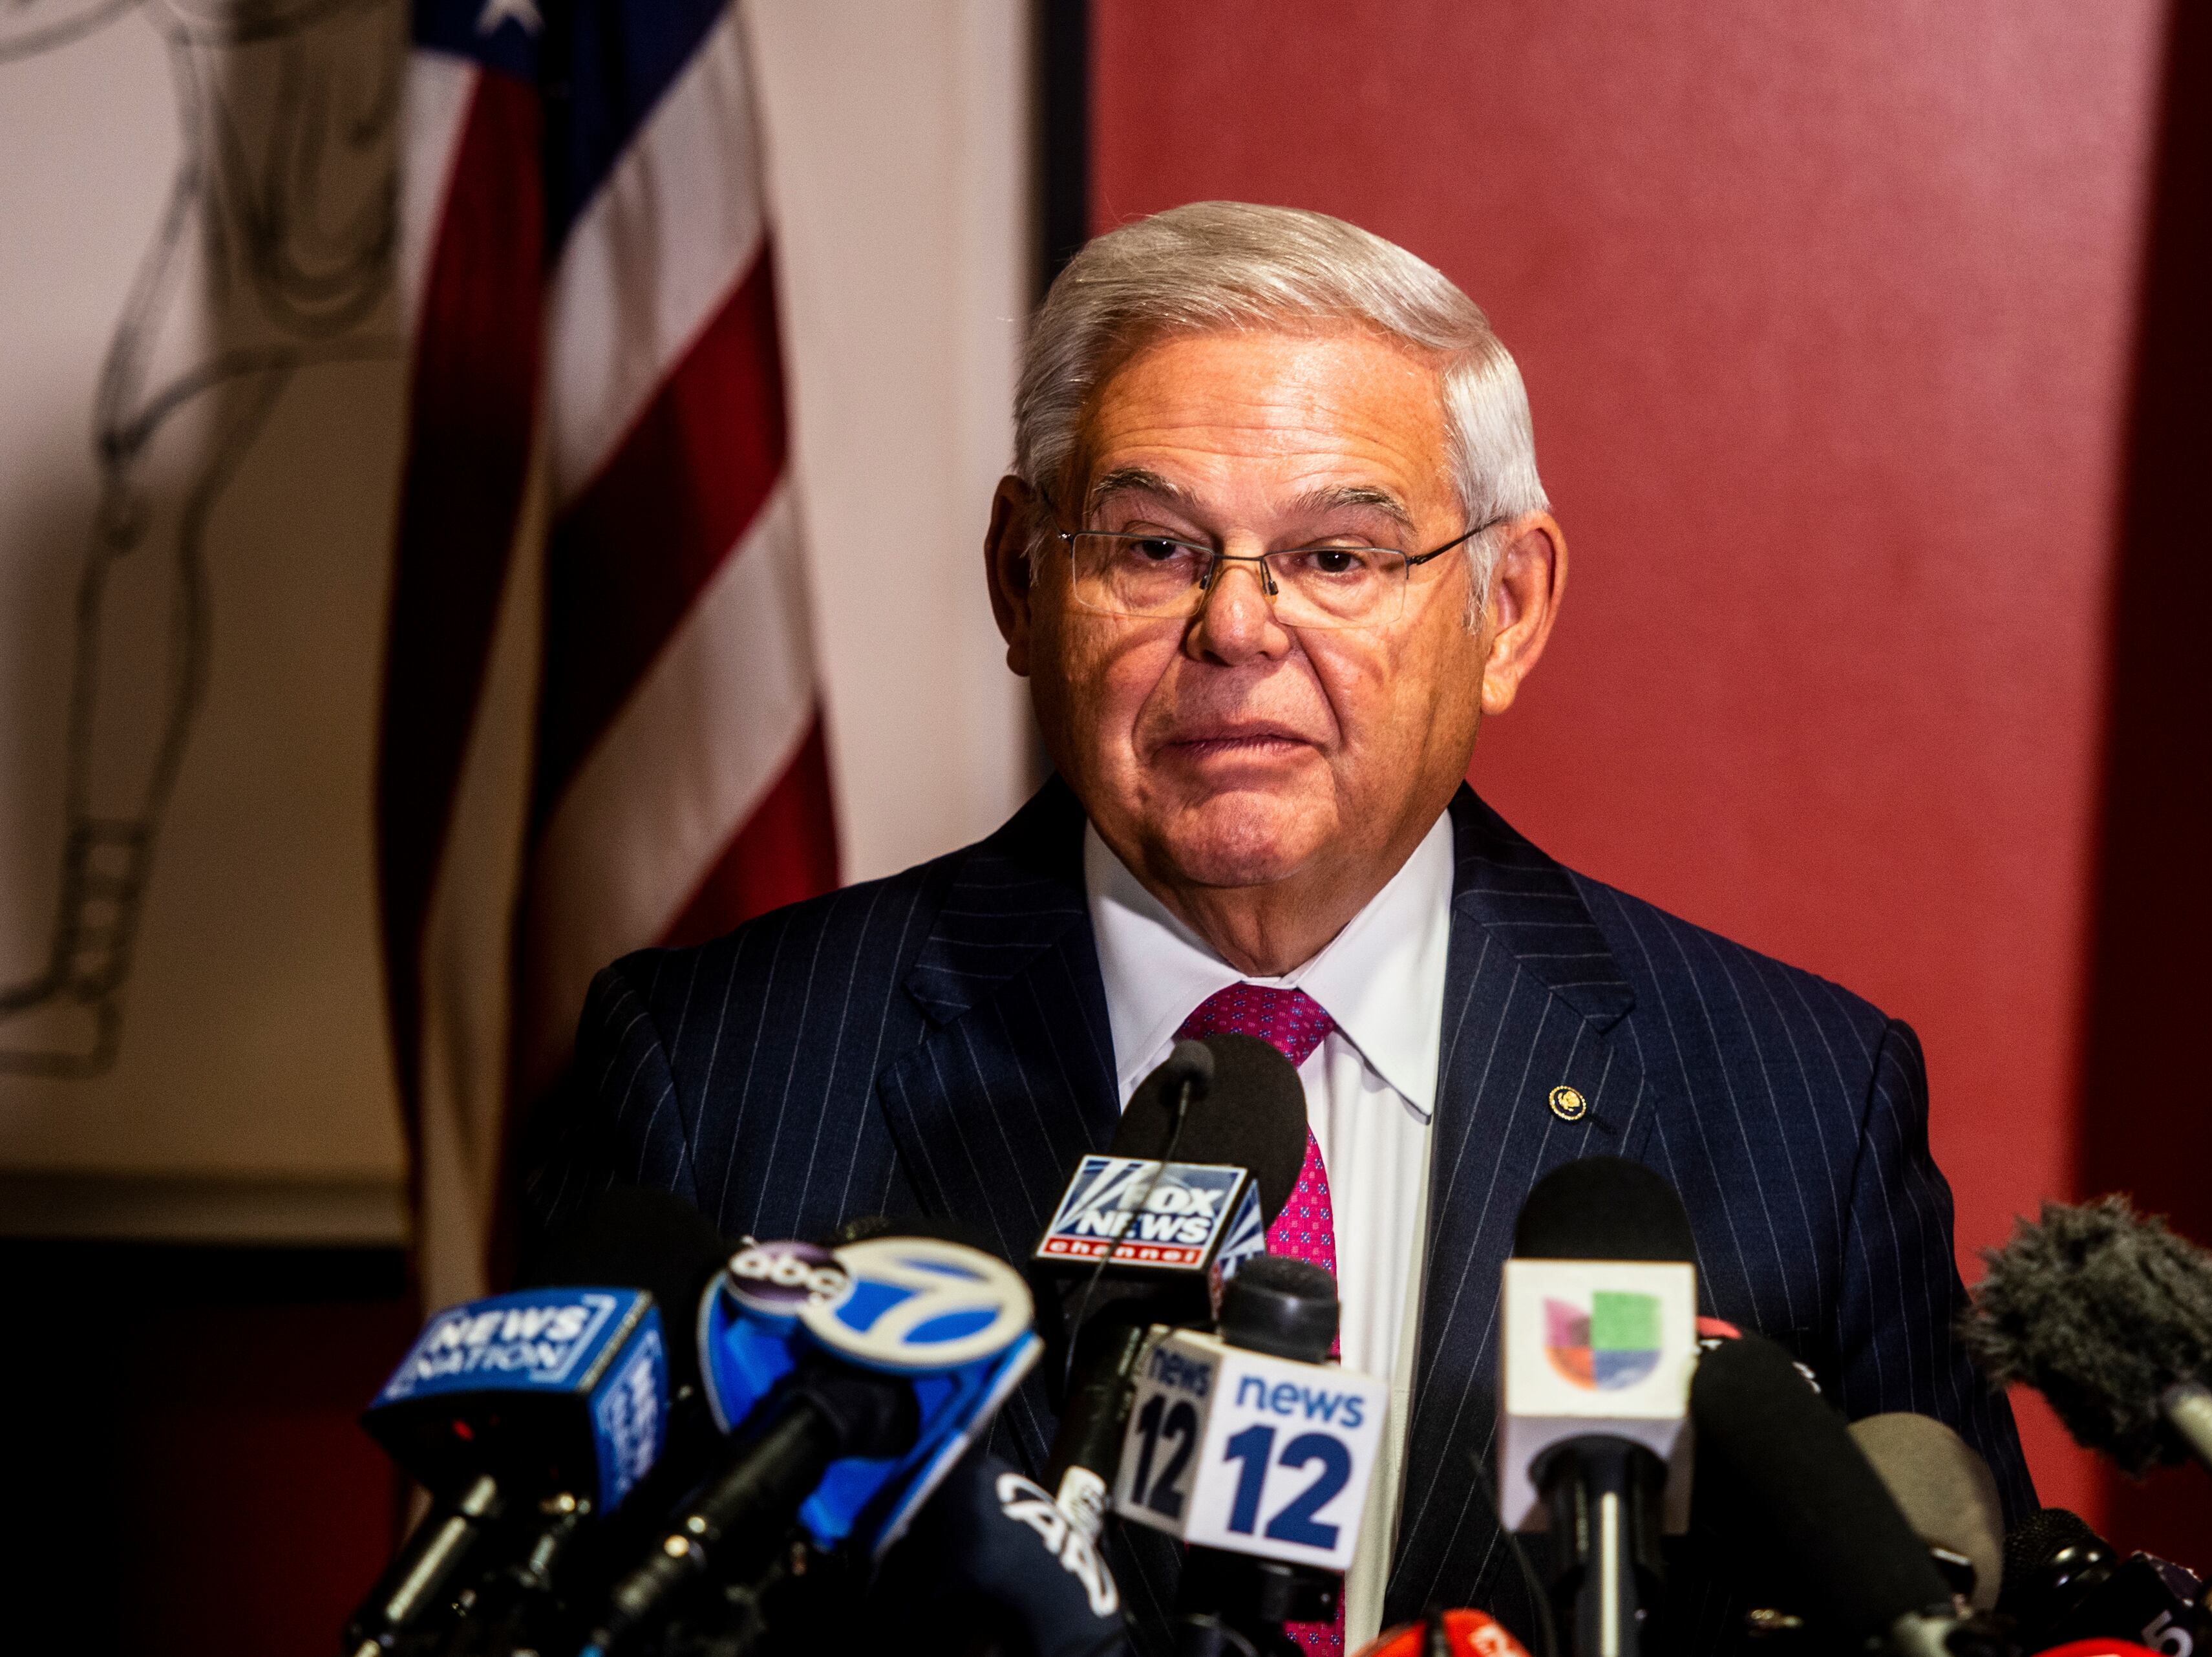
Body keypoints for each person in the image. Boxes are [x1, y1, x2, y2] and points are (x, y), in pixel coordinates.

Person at [527, 201, 2034, 1649]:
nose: (1237, 629)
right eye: (1153, 546)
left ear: (1507, 607)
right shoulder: (713, 1075)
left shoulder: (1801, 1106)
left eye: (1335, 556)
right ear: (1020, 581)